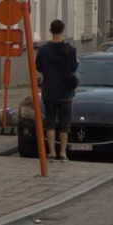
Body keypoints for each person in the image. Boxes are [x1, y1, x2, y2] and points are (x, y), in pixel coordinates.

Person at [34, 19, 79, 161]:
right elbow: (73, 68)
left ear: (50, 31)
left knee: (50, 122)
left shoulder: (44, 50)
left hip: (49, 90)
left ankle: (52, 151)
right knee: (65, 123)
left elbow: (39, 67)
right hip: (66, 91)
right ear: (63, 30)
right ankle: (63, 152)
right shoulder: (70, 50)